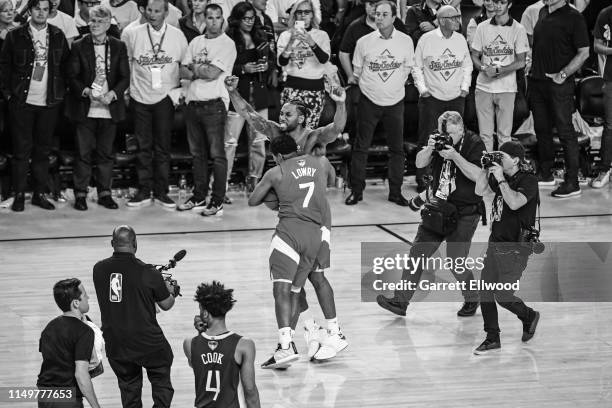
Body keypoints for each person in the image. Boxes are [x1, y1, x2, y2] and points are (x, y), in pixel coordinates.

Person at [225, 75, 348, 361]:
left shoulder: (314, 137)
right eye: (281, 112)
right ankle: (301, 334)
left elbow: (339, 127)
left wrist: (340, 102)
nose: (282, 117)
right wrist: (232, 92)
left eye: (288, 113)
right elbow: (250, 115)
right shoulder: (276, 132)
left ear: (303, 118)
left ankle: (326, 332)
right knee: (294, 284)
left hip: (316, 217)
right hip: (293, 215)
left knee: (315, 277)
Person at [377, 111, 484, 318]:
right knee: (417, 254)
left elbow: (478, 175)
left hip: (465, 212)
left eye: (452, 133)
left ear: (462, 129)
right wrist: (429, 147)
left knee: (455, 261)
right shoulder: (438, 139)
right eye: (444, 133)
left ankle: (472, 297)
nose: (448, 137)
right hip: (437, 207)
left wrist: (455, 156)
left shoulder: (474, 143)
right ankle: (400, 302)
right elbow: (418, 163)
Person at [248, 135, 330, 369]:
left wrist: (276, 194)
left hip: (289, 235)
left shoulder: (276, 172)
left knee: (281, 291)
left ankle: (285, 348)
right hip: (314, 236)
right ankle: (299, 339)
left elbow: (253, 200)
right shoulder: (318, 163)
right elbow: (330, 181)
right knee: (295, 292)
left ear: (278, 156)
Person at [93, 225, 178, 407]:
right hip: (148, 343)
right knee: (162, 378)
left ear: (112, 243)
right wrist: (171, 291)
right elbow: (166, 304)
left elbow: (123, 294)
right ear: (135, 243)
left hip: (116, 344)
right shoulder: (149, 273)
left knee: (129, 390)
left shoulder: (98, 269)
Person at [0, 0, 70, 212]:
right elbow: (4, 67)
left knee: (42, 150)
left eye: (45, 9)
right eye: (37, 8)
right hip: (22, 101)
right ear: (29, 11)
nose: (41, 12)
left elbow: (66, 66)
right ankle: (19, 194)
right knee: (21, 151)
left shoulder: (57, 35)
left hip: (48, 102)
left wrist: (61, 93)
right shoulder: (15, 35)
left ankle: (40, 193)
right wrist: (9, 95)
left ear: (50, 12)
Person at [473, 141, 540, 354]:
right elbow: (479, 190)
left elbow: (514, 203)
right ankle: (492, 337)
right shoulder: (500, 176)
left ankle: (528, 315)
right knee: (484, 291)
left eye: (502, 156)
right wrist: (486, 168)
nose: (499, 159)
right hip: (496, 242)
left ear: (516, 160)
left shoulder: (528, 180)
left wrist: (501, 178)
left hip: (516, 248)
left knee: (502, 296)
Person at [345, 0, 414, 206]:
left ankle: (395, 192)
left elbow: (407, 68)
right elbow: (357, 71)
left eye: (384, 14)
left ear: (394, 17)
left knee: (397, 149)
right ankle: (356, 191)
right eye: (377, 14)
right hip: (369, 100)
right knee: (360, 146)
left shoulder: (405, 41)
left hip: (396, 101)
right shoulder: (364, 42)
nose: (379, 17)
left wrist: (393, 86)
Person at [123, 0, 188, 208]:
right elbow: (126, 63)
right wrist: (128, 92)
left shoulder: (177, 35)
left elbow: (185, 66)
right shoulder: (132, 33)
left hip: (165, 98)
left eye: (157, 11)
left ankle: (161, 191)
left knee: (162, 147)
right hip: (139, 97)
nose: (152, 14)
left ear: (166, 12)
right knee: (142, 146)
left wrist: (180, 93)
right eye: (149, 10)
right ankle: (143, 190)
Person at [66, 4, 130, 211]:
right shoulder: (79, 45)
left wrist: (113, 94)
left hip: (108, 108)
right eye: (92, 20)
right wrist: (86, 91)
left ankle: (104, 193)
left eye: (100, 21)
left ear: (108, 23)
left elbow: (124, 77)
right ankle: (81, 194)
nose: (95, 25)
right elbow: (72, 76)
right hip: (86, 107)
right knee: (83, 153)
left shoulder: (118, 46)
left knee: (105, 154)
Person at [178, 2, 236, 216]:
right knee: (197, 155)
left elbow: (213, 74)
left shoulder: (227, 44)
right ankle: (199, 196)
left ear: (223, 19)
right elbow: (182, 71)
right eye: (209, 17)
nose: (213, 21)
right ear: (205, 19)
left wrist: (194, 67)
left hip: (214, 105)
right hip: (193, 103)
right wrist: (198, 69)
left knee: (217, 155)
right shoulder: (195, 41)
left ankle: (217, 200)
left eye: (217, 17)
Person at [529, 0, 589, 197]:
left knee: (565, 131)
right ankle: (546, 174)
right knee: (542, 129)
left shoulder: (574, 17)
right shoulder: (542, 13)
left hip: (559, 84)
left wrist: (562, 75)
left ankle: (572, 182)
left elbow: (584, 52)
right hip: (537, 81)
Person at [412, 4, 471, 192]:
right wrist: (423, 90)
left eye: (458, 17)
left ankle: (451, 176)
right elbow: (416, 67)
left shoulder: (460, 39)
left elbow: (467, 65)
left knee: (455, 139)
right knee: (428, 138)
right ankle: (424, 179)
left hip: (456, 97)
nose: (457, 21)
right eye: (454, 18)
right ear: (443, 20)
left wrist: (464, 88)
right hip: (432, 97)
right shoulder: (426, 39)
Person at [224, 1, 274, 197]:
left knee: (259, 141)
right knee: (230, 142)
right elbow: (224, 66)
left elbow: (271, 59)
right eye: (246, 18)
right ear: (237, 19)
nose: (250, 22)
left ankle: (254, 180)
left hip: (259, 93)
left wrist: (266, 66)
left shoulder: (260, 35)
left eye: (252, 18)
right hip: (237, 95)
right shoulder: (228, 38)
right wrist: (243, 69)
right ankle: (223, 182)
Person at [185, 281, 261, 408]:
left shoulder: (189, 344)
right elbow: (250, 389)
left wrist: (200, 333)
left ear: (205, 313)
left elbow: (202, 367)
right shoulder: (244, 345)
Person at [470, 0, 529, 152]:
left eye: (502, 2)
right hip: (483, 87)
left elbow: (521, 62)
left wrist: (499, 71)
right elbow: (474, 55)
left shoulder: (518, 28)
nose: (497, 6)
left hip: (507, 88)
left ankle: (504, 172)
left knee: (505, 136)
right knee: (485, 135)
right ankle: (488, 172)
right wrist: (483, 68)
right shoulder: (482, 27)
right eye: (495, 2)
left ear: (509, 5)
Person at [37, 278, 101, 408]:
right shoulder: (84, 331)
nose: (88, 297)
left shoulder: (50, 327)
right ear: (76, 303)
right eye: (84, 294)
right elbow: (81, 375)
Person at [277, 0, 332, 129]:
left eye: (307, 12)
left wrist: (311, 42)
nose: (303, 15)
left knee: (308, 132)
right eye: (299, 12)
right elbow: (281, 62)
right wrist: (291, 42)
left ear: (312, 14)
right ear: (294, 15)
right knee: (289, 131)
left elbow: (324, 60)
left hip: (315, 90)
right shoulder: (286, 35)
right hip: (292, 89)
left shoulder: (321, 35)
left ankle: (305, 150)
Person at [591, 4, 612, 188]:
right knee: (610, 124)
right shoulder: (606, 14)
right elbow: (597, 45)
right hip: (611, 78)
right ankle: (605, 168)